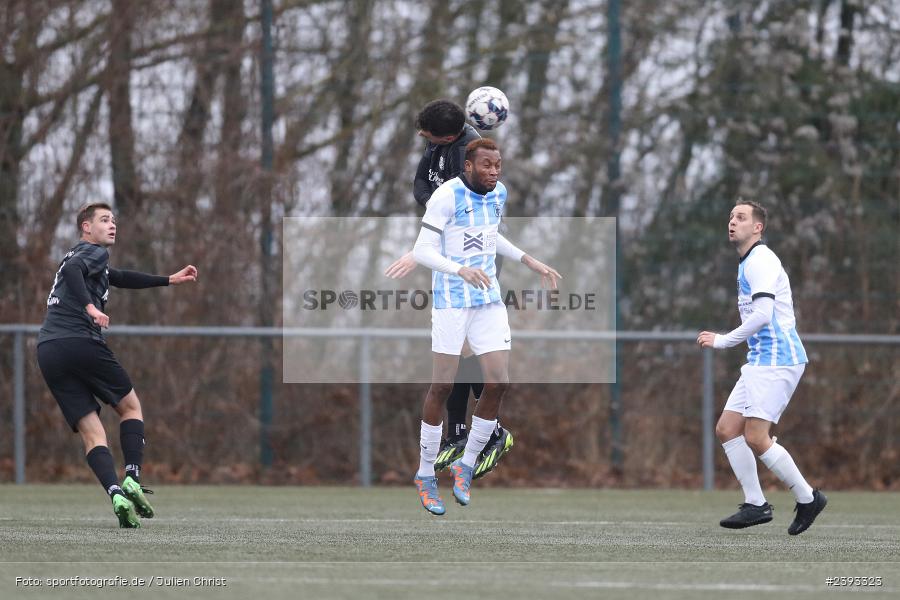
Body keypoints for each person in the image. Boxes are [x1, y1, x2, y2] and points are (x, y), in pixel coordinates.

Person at [411, 138, 560, 514]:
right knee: (442, 386)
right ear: (468, 166)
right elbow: (422, 251)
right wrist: (459, 269)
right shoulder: (446, 196)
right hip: (451, 301)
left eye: (498, 165)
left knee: (498, 382)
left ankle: (466, 465)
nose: (494, 171)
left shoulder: (498, 194)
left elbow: (491, 237)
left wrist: (530, 260)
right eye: (487, 165)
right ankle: (426, 473)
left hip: (488, 300)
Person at [36, 203, 198, 528]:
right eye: (105, 220)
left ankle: (116, 495)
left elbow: (120, 278)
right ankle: (133, 478)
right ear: (86, 227)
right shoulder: (91, 252)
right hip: (79, 340)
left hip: (48, 349)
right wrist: (91, 309)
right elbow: (74, 273)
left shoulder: (80, 258)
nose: (112, 225)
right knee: (130, 407)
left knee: (92, 432)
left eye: (114, 220)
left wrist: (168, 279)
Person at [386, 99, 513, 480]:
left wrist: (423, 245)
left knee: (469, 353)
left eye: (427, 135)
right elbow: (421, 185)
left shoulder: (468, 159)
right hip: (450, 259)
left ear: (447, 135)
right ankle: (459, 433)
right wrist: (434, 216)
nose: (423, 139)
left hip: (476, 261)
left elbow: (467, 220)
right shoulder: (438, 144)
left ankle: (490, 432)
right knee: (456, 356)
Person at [698, 200, 826, 535]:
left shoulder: (761, 260)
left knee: (755, 436)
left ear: (758, 227)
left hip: (778, 359)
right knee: (727, 429)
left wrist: (723, 341)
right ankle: (756, 504)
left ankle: (808, 497)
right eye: (730, 217)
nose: (732, 222)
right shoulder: (747, 262)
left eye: (741, 217)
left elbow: (763, 315)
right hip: (761, 360)